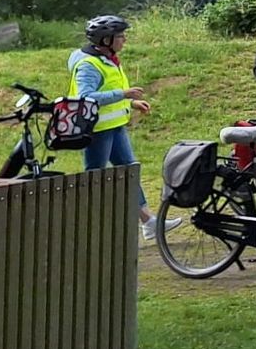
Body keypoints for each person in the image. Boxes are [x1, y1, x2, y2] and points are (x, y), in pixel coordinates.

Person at [69, 15, 176, 241]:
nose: (124, 40)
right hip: (97, 130)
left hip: (114, 126)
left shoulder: (108, 58)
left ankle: (148, 222)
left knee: (129, 170)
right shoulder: (89, 65)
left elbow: (109, 89)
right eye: (120, 36)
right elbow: (86, 97)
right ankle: (84, 226)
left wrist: (130, 103)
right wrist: (124, 95)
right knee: (94, 178)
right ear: (106, 39)